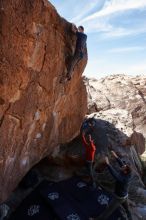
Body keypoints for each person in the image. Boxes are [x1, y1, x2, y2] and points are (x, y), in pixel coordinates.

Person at [96, 151, 133, 220]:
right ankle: (130, 217)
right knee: (127, 209)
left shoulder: (123, 179)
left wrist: (108, 164)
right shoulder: (128, 173)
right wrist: (116, 156)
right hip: (125, 196)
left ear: (125, 171)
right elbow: (121, 164)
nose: (122, 167)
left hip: (119, 198)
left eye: (123, 168)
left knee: (108, 210)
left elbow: (115, 176)